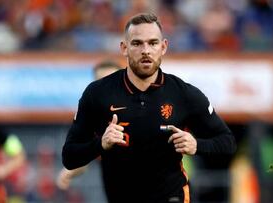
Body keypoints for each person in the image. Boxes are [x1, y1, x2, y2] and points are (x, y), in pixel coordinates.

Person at [62, 13, 236, 203]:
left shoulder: (184, 94)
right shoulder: (97, 93)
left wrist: (197, 145)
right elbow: (69, 157)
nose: (146, 50)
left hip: (172, 196)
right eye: (137, 43)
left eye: (153, 43)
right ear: (124, 48)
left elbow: (227, 142)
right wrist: (100, 144)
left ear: (163, 47)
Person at [56, 60, 122, 190]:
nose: (106, 86)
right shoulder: (93, 115)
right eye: (101, 81)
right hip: (114, 185)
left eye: (111, 80)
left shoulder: (138, 108)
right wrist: (69, 171)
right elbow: (85, 151)